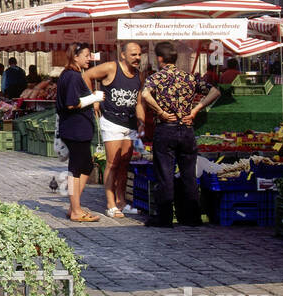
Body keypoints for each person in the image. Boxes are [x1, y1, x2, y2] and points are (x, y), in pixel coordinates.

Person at [140, 41, 220, 229]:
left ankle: (165, 218)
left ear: (159, 58)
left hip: (166, 128)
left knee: (165, 174)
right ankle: (192, 217)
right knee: (188, 174)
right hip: (186, 129)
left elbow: (145, 95)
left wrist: (159, 111)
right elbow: (215, 91)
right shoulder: (189, 78)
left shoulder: (156, 78)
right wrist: (196, 110)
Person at [86, 42, 143, 219]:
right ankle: (110, 204)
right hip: (111, 121)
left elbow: (139, 102)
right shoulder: (111, 68)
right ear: (123, 55)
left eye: (139, 54)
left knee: (124, 164)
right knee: (112, 163)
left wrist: (142, 121)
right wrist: (94, 98)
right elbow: (86, 76)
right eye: (133, 54)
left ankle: (121, 201)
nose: (137, 58)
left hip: (130, 123)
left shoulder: (139, 76)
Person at [55, 42, 100, 223]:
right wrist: (93, 98)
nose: (89, 58)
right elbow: (72, 103)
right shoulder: (73, 76)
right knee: (75, 169)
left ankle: (74, 206)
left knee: (86, 166)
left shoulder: (69, 75)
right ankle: (75, 210)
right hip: (76, 128)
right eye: (86, 55)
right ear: (76, 56)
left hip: (77, 128)